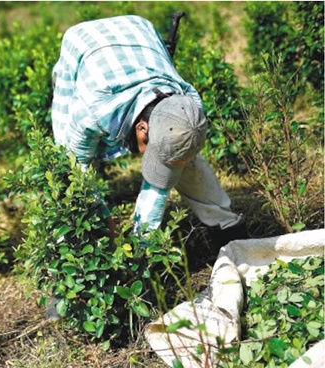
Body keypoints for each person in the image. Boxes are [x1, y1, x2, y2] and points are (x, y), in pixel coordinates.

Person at [50, 15, 248, 246]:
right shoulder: (93, 108)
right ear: (141, 128)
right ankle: (67, 245)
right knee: (67, 160)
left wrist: (142, 242)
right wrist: (104, 220)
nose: (144, 156)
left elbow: (161, 181)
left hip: (140, 30)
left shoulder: (188, 105)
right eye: (148, 148)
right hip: (82, 42)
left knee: (181, 152)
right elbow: (77, 166)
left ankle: (226, 224)